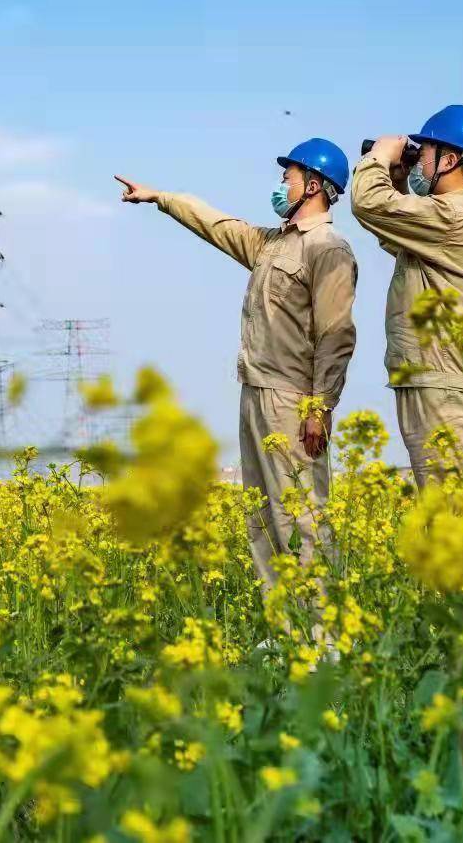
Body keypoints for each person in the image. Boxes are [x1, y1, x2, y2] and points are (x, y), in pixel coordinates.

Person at [115, 139, 358, 592]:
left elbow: (336, 335)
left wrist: (319, 407)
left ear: (313, 186)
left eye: (288, 178)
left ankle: (324, 635)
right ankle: (285, 630)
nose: (280, 185)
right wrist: (161, 198)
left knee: (302, 516)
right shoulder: (271, 244)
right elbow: (218, 225)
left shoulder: (328, 249)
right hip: (255, 389)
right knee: (263, 516)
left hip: (293, 398)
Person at [351, 105, 463, 512]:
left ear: (450, 159)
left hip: (454, 385)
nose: (416, 159)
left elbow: (368, 204)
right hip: (441, 379)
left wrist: (378, 158)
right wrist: (402, 184)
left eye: (424, 152)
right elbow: (396, 236)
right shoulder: (447, 218)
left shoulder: (460, 215)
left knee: (457, 522)